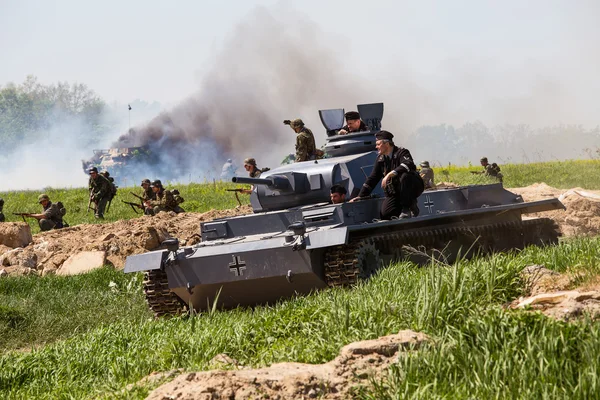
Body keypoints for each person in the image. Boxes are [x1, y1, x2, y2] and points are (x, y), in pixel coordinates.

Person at [350, 130, 424, 219]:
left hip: (412, 187)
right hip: (395, 191)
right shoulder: (381, 159)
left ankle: (408, 207)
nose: (376, 147)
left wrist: (390, 174)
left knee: (405, 176)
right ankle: (401, 216)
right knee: (386, 214)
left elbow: (408, 164)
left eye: (378, 144)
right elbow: (373, 178)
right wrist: (360, 196)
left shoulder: (401, 152)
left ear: (387, 144)